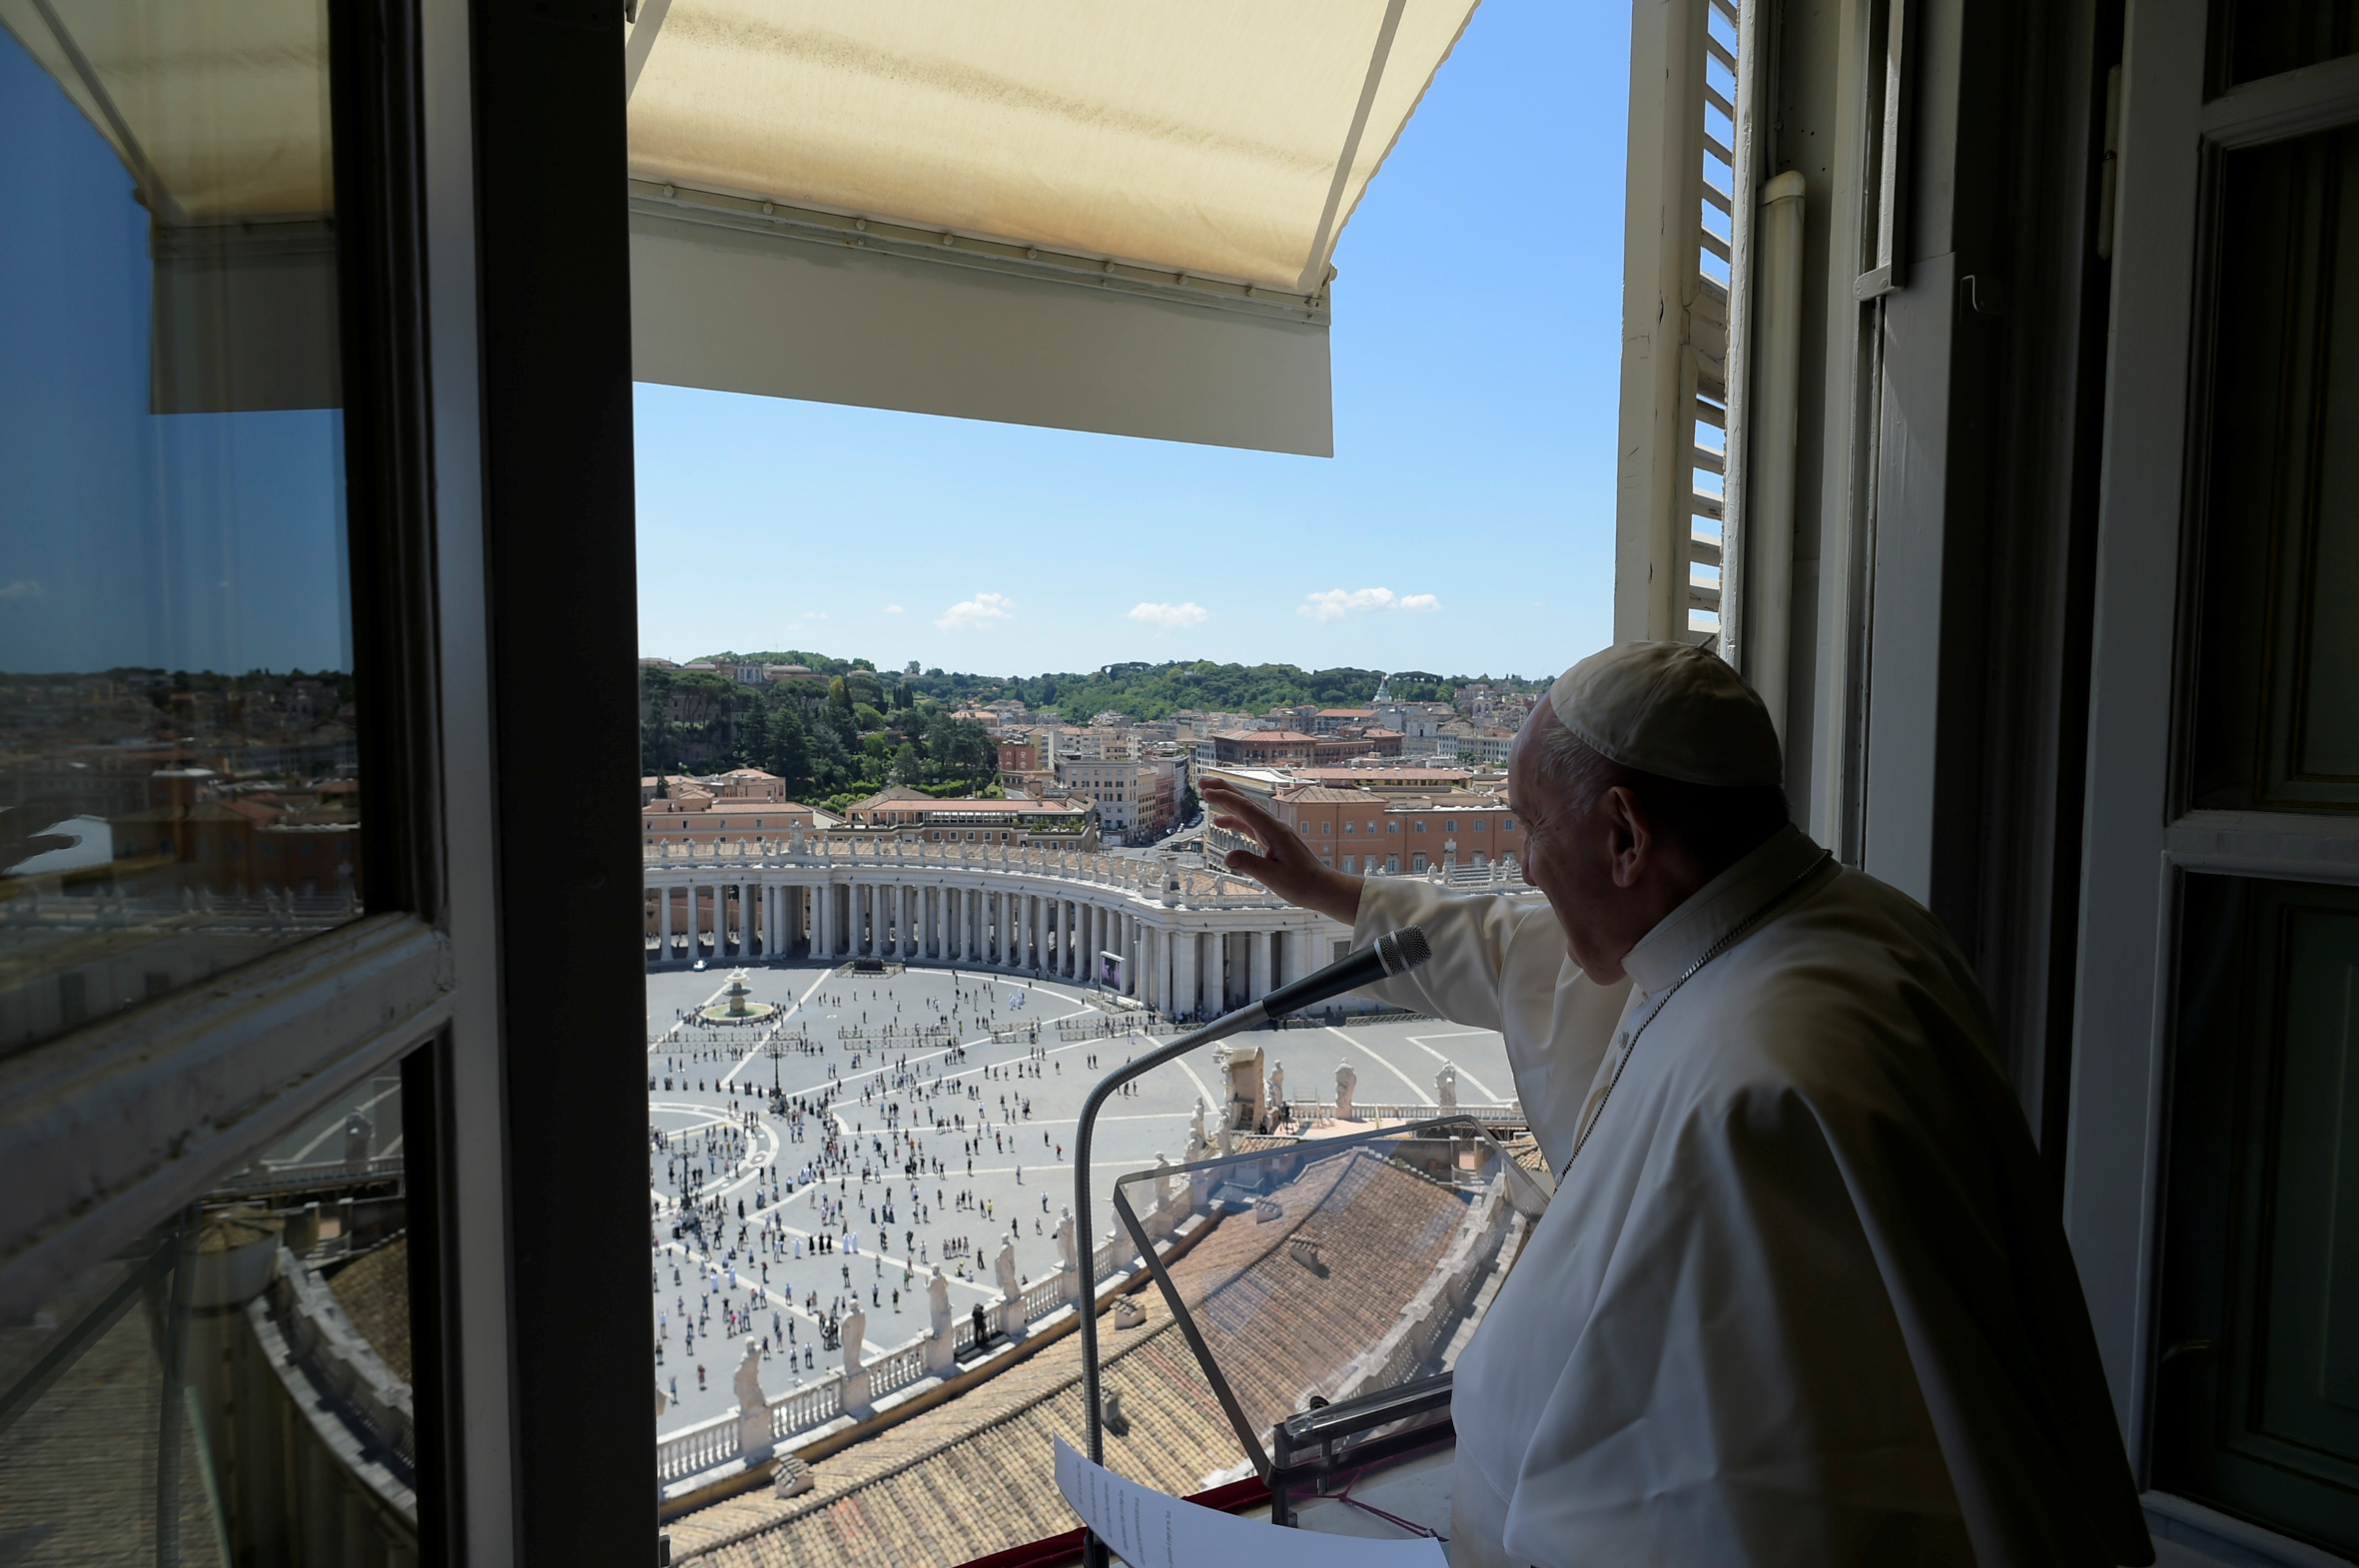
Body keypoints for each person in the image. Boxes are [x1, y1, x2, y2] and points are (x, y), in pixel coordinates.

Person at [1201, 641, 2149, 1568]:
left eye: (1530, 827)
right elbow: (1508, 943)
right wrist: (1324, 888)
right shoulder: (1812, 923)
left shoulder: (1769, 1087)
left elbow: (1729, 1494)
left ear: (1625, 835)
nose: (1524, 866)